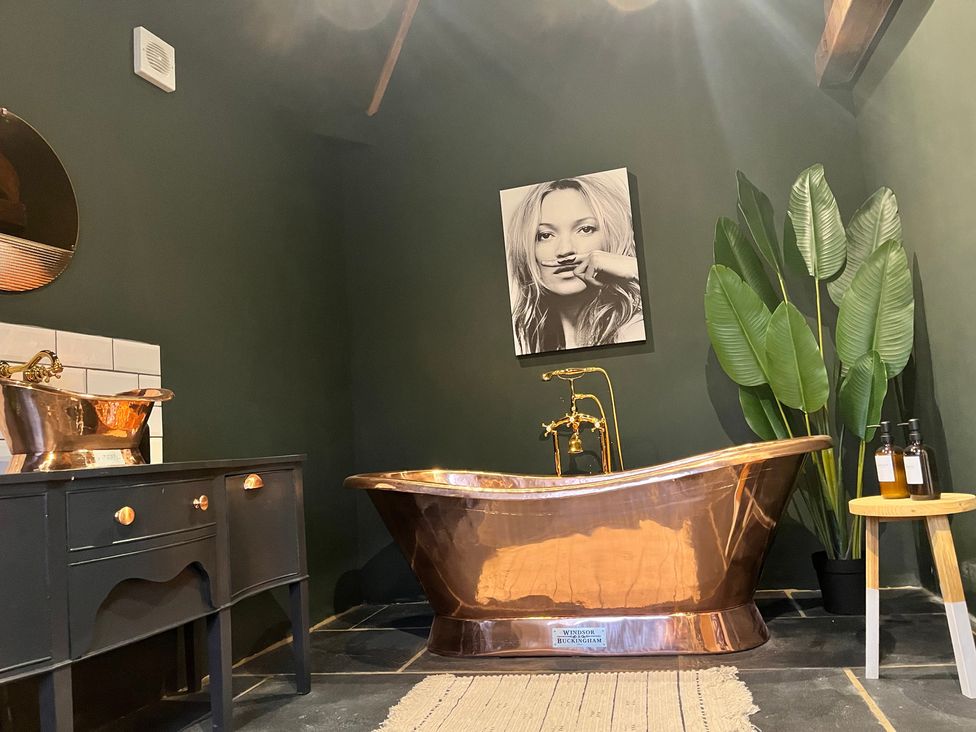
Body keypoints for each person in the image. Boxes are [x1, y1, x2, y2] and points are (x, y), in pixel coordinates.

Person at [505, 174, 644, 355]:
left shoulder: (634, 331)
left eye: (585, 229)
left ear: (611, 236)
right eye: (545, 235)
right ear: (527, 248)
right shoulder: (537, 345)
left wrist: (636, 269)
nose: (565, 250)